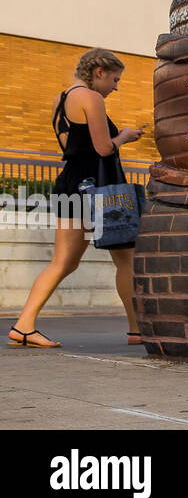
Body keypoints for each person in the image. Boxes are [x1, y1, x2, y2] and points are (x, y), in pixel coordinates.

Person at [8, 49, 144, 349]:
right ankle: (24, 325)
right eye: (115, 79)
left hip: (71, 186)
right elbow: (104, 149)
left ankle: (24, 326)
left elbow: (73, 147)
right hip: (99, 190)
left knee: (66, 262)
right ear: (99, 72)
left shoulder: (62, 99)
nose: (116, 87)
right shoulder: (92, 98)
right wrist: (124, 135)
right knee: (123, 259)